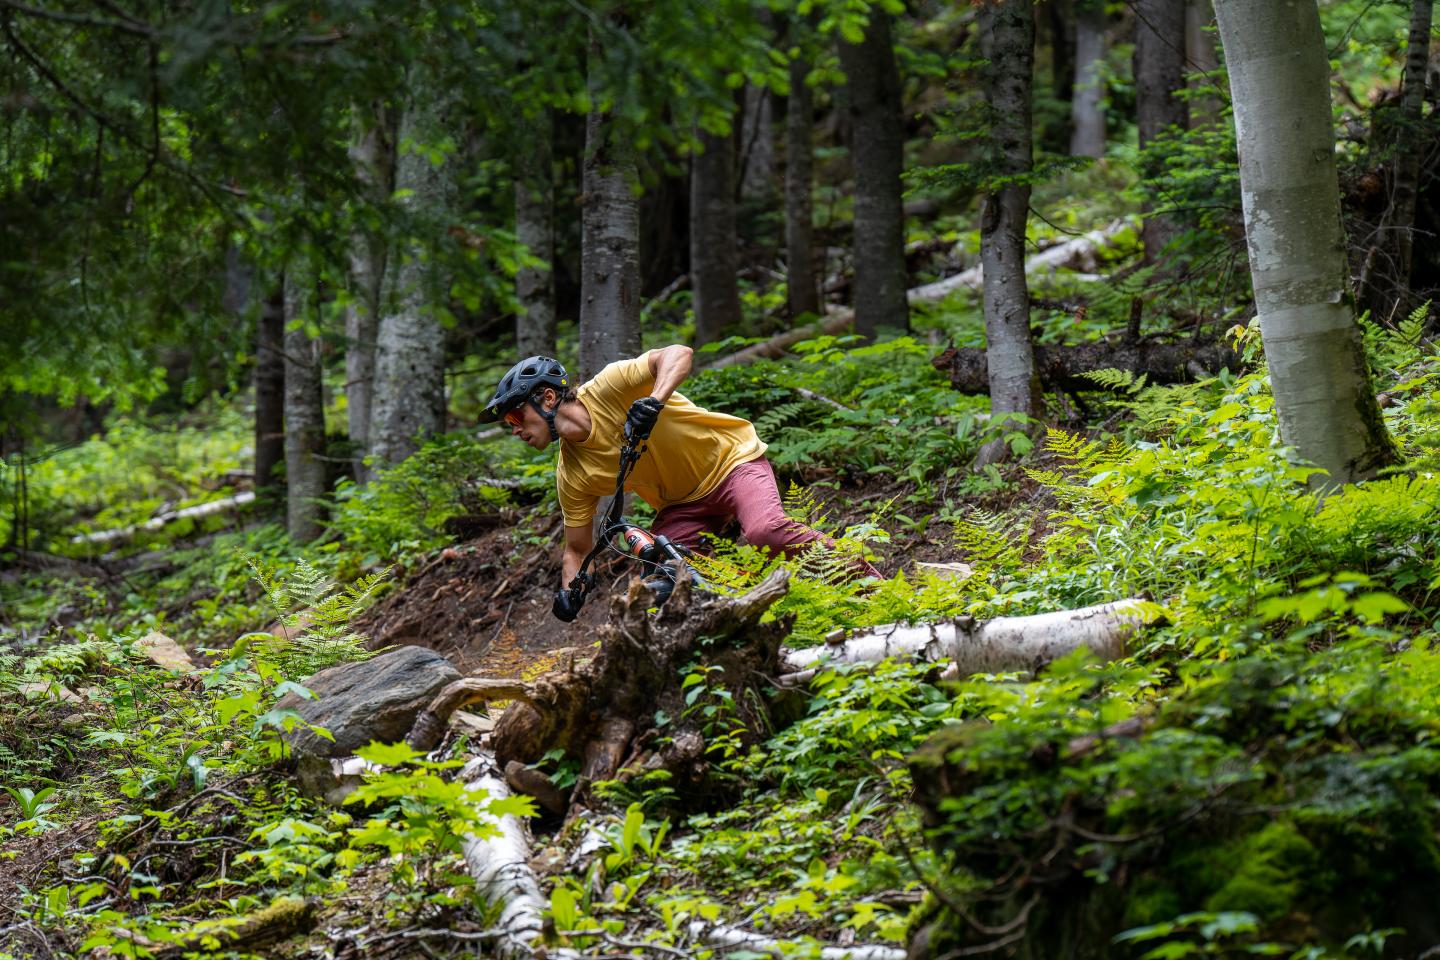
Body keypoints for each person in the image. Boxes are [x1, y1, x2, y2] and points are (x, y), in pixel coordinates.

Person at [481, 346, 879, 621]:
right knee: (669, 581)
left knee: (766, 531)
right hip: (682, 506)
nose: (515, 430)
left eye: (516, 418)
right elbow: (576, 547)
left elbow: (679, 354)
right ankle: (760, 618)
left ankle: (873, 586)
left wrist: (654, 399)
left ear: (547, 398)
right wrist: (570, 591)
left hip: (730, 460)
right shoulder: (571, 473)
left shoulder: (610, 386)